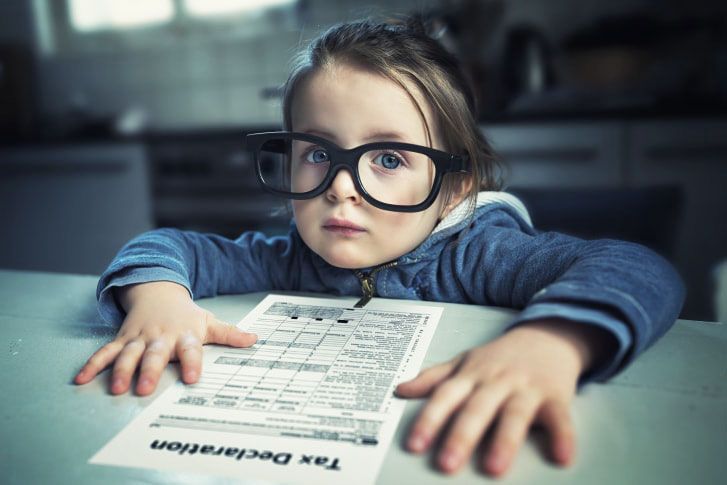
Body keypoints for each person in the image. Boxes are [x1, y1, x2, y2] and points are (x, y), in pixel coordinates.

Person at [74, 17, 685, 478]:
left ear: (454, 184)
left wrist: (552, 342)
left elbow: (637, 265)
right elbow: (168, 243)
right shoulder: (290, 256)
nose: (340, 187)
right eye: (317, 152)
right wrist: (158, 299)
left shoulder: (480, 254)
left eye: (389, 158)